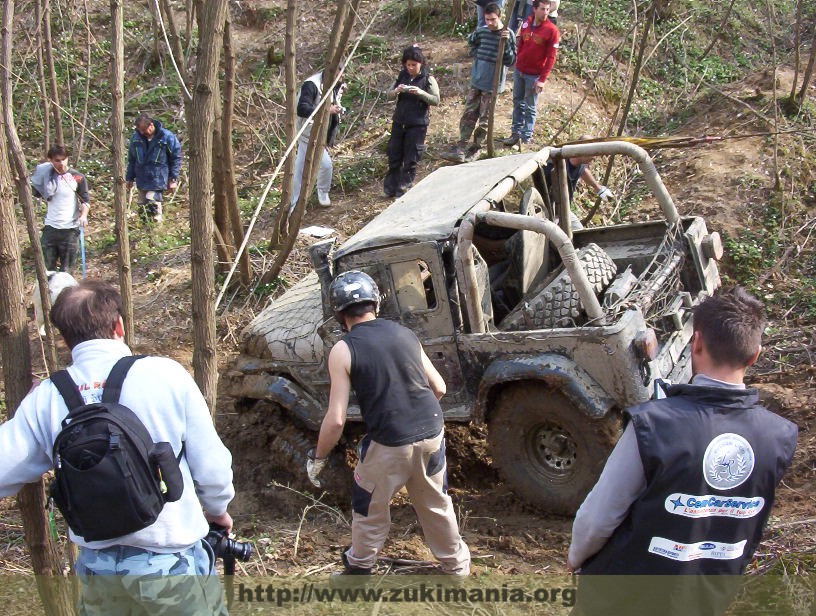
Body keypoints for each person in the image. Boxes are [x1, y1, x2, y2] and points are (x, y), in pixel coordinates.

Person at [0, 280, 235, 615]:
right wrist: (218, 509)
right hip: (171, 559)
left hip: (98, 569)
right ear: (119, 325)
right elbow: (210, 464)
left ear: (65, 339)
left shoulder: (47, 396)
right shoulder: (165, 374)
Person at [567, 287, 798, 616]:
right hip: (705, 598)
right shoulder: (779, 437)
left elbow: (598, 517)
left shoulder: (654, 425)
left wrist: (577, 558)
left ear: (697, 342)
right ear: (755, 354)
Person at [307, 270, 471, 586]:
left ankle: (358, 572)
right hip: (432, 431)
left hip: (390, 441)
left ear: (339, 313)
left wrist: (318, 456)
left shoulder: (343, 349)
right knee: (436, 502)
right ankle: (456, 568)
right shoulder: (405, 334)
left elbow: (337, 419)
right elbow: (439, 387)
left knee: (368, 506)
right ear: (375, 304)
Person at [446, 3, 516, 163]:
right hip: (477, 80)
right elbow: (471, 43)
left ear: (499, 17)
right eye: (487, 19)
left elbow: (511, 60)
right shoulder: (482, 30)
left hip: (492, 84)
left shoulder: (507, 34)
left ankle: (476, 148)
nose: (490, 23)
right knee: (469, 114)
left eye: (493, 19)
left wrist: (505, 46)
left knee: (485, 119)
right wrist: (478, 56)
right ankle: (461, 145)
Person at [383, 45, 440, 199]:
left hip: (417, 124)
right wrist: (397, 91)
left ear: (421, 64)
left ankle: (404, 188)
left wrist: (420, 93)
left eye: (414, 65)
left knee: (411, 157)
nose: (411, 68)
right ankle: (390, 188)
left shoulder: (428, 78)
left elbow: (436, 100)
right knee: (394, 155)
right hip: (399, 121)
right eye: (408, 65)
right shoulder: (402, 76)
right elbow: (388, 95)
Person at [503, 0, 560, 147]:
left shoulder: (552, 30)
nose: (546, 12)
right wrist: (517, 59)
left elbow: (551, 57)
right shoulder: (527, 23)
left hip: (534, 75)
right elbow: (521, 42)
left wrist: (542, 79)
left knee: (530, 106)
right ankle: (515, 133)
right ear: (534, 9)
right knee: (517, 102)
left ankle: (526, 138)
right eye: (543, 9)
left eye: (548, 9)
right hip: (520, 70)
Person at [291, 68, 346, 209]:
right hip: (308, 133)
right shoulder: (311, 85)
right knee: (326, 165)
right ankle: (322, 192)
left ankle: (294, 203)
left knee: (300, 168)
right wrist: (327, 111)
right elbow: (302, 108)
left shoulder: (335, 83)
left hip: (319, 132)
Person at [30, 145, 90, 273]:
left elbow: (85, 201)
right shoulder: (46, 177)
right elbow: (35, 192)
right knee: (47, 270)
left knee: (66, 272)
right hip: (50, 228)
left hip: (70, 230)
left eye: (64, 159)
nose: (61, 163)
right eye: (57, 160)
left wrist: (83, 215)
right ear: (50, 160)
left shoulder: (77, 177)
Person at [125, 113, 182, 224]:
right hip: (142, 178)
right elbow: (132, 159)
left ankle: (157, 227)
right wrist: (129, 178)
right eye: (140, 130)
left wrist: (173, 179)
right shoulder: (136, 139)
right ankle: (146, 231)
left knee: (153, 201)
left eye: (144, 130)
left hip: (158, 178)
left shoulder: (166, 137)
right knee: (142, 206)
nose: (142, 133)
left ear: (151, 125)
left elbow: (176, 158)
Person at [543, 144, 613, 228]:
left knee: (579, 231)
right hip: (549, 210)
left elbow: (583, 171)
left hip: (564, 209)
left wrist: (598, 188)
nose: (594, 157)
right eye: (592, 153)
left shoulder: (580, 164)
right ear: (580, 152)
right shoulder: (556, 167)